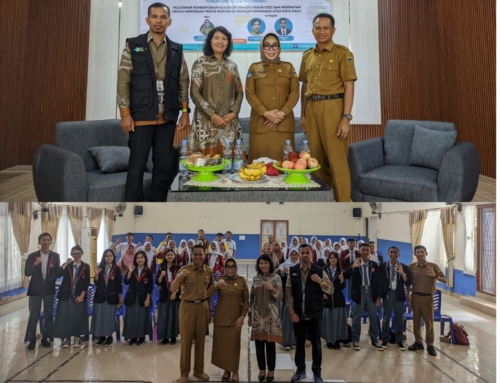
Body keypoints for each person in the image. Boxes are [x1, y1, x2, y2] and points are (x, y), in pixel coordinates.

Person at [117, 2, 190, 201]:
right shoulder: (133, 45)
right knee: (137, 167)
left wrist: (185, 112)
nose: (159, 21)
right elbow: (123, 80)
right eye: (155, 17)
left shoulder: (176, 49)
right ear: (147, 20)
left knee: (163, 168)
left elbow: (184, 81)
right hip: (140, 118)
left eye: (163, 17)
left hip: (167, 118)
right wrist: (125, 114)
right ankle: (133, 210)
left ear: (169, 21)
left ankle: (158, 207)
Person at [299, 13, 357, 202]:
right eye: (318, 27)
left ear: (333, 31)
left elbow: (349, 86)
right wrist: (303, 115)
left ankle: (343, 207)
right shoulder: (307, 55)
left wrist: (346, 118)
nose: (321, 31)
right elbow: (305, 86)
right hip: (312, 109)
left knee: (337, 162)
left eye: (326, 28)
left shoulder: (343, 53)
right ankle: (323, 205)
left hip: (333, 108)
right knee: (316, 161)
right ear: (313, 30)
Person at [245, 33, 299, 162]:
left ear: (279, 48)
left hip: (284, 126)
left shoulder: (289, 67)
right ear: (261, 48)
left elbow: (295, 93)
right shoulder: (254, 67)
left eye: (275, 46)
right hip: (260, 126)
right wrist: (265, 113)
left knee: (285, 167)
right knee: (259, 170)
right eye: (267, 46)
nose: (271, 49)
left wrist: (281, 113)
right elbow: (250, 93)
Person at [190, 26, 244, 155]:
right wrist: (213, 115)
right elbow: (194, 93)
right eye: (217, 38)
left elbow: (240, 92)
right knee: (205, 165)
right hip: (206, 122)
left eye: (224, 39)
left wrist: (234, 113)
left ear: (228, 43)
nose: (220, 41)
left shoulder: (232, 66)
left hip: (228, 122)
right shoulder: (200, 63)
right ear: (210, 41)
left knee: (229, 167)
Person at [286, 244, 333, 383]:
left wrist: (320, 282)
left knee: (316, 345)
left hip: (314, 314)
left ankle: (317, 372)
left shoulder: (319, 270)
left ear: (312, 254)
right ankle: (300, 370)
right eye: (302, 252)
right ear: (299, 255)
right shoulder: (293, 270)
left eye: (307, 252)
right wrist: (291, 311)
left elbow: (331, 290)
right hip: (298, 314)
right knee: (299, 344)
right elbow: (288, 292)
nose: (305, 255)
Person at [170, 244, 214, 383]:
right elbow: (173, 289)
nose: (198, 257)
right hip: (187, 308)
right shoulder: (184, 270)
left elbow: (210, 292)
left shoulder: (208, 271)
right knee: (186, 341)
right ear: (191, 255)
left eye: (200, 254)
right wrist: (178, 278)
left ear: (204, 255)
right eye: (195, 254)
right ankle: (184, 373)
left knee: (200, 341)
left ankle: (199, 370)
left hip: (203, 307)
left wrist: (210, 311)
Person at [208, 258, 249, 383]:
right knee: (223, 348)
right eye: (228, 267)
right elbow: (207, 294)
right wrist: (216, 285)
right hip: (221, 319)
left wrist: (242, 317)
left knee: (234, 347)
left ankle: (234, 370)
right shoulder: (220, 279)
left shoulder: (241, 281)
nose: (230, 269)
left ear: (236, 268)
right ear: (225, 268)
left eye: (233, 267)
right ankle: (227, 370)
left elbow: (246, 301)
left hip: (235, 321)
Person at [248, 254, 283, 382]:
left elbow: (280, 296)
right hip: (257, 315)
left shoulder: (276, 277)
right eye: (261, 263)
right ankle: (262, 369)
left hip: (271, 317)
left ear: (270, 264)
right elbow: (252, 298)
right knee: (258, 345)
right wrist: (250, 315)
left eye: (266, 263)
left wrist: (271, 288)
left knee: (270, 345)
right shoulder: (256, 278)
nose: (263, 265)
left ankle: (271, 370)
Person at [407, 245, 446, 357]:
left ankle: (430, 345)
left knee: (429, 323)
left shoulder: (433, 266)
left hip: (428, 298)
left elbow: (444, 280)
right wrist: (407, 296)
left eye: (422, 252)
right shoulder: (411, 267)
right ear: (415, 254)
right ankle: (418, 342)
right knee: (416, 321)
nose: (420, 254)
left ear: (426, 253)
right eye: (418, 252)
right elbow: (408, 283)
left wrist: (435, 275)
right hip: (415, 297)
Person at [344, 243, 383, 351]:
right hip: (359, 293)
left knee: (373, 317)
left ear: (370, 251)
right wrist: (352, 267)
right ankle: (355, 340)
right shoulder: (355, 263)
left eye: (367, 250)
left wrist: (379, 296)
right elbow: (346, 275)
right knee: (356, 317)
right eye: (363, 250)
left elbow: (379, 282)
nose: (365, 252)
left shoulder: (374, 265)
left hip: (371, 292)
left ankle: (374, 340)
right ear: (359, 251)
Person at [25, 233, 61, 350]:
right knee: (34, 315)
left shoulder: (55, 256)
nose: (45, 242)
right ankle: (31, 339)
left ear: (51, 242)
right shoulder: (32, 256)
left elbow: (56, 273)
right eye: (43, 240)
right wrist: (35, 264)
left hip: (49, 288)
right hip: (35, 288)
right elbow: (27, 272)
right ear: (39, 242)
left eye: (48, 240)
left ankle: (45, 338)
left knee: (48, 314)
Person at [53, 246, 90, 348]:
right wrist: (66, 263)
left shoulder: (86, 266)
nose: (76, 256)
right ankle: (67, 338)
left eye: (78, 253)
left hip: (78, 295)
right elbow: (58, 274)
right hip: (66, 294)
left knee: (77, 316)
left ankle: (77, 337)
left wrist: (82, 296)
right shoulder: (68, 265)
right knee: (65, 316)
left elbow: (86, 282)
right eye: (74, 254)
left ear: (82, 254)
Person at [379, 246, 411, 351]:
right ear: (388, 254)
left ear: (399, 254)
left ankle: (399, 341)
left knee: (399, 318)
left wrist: (402, 273)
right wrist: (379, 296)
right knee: (386, 318)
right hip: (388, 294)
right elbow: (379, 283)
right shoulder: (382, 266)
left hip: (399, 295)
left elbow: (408, 282)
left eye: (395, 252)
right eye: (391, 252)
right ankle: (384, 339)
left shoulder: (404, 267)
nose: (393, 254)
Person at [91, 249, 123, 347]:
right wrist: (96, 274)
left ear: (113, 257)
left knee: (110, 317)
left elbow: (119, 285)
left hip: (112, 297)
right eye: (107, 256)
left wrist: (120, 297)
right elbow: (96, 283)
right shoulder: (99, 268)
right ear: (104, 257)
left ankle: (109, 336)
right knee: (99, 317)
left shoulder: (117, 269)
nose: (108, 258)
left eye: (110, 256)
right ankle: (101, 336)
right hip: (100, 296)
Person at [123, 251, 153, 345]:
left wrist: (148, 298)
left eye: (142, 257)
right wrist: (129, 272)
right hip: (132, 297)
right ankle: (133, 336)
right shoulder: (132, 269)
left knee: (142, 317)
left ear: (145, 259)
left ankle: (141, 336)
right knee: (131, 317)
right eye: (138, 258)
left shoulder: (148, 270)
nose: (140, 259)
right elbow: (126, 282)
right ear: (135, 259)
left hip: (143, 297)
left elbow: (150, 286)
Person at [322, 251, 347, 350]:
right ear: (328, 259)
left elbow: (342, 287)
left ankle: (337, 341)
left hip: (337, 299)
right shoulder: (323, 270)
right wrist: (323, 293)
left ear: (337, 260)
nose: (332, 259)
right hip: (327, 299)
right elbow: (320, 283)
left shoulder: (341, 271)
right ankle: (329, 340)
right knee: (328, 321)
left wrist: (342, 280)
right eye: (331, 258)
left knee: (337, 321)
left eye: (334, 258)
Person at [156, 249, 181, 345]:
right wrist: (161, 276)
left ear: (174, 256)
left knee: (174, 315)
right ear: (165, 256)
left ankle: (173, 336)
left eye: (171, 254)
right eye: (168, 255)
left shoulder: (178, 268)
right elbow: (158, 283)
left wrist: (175, 292)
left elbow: (181, 282)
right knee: (164, 316)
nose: (170, 256)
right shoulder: (161, 267)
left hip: (175, 294)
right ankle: (165, 337)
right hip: (164, 294)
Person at [277, 249, 299, 350]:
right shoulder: (284, 265)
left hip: (298, 297)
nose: (294, 256)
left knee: (296, 320)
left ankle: (294, 341)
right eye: (292, 255)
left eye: (296, 254)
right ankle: (286, 342)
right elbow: (277, 279)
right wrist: (282, 273)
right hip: (287, 297)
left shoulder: (301, 266)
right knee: (287, 319)